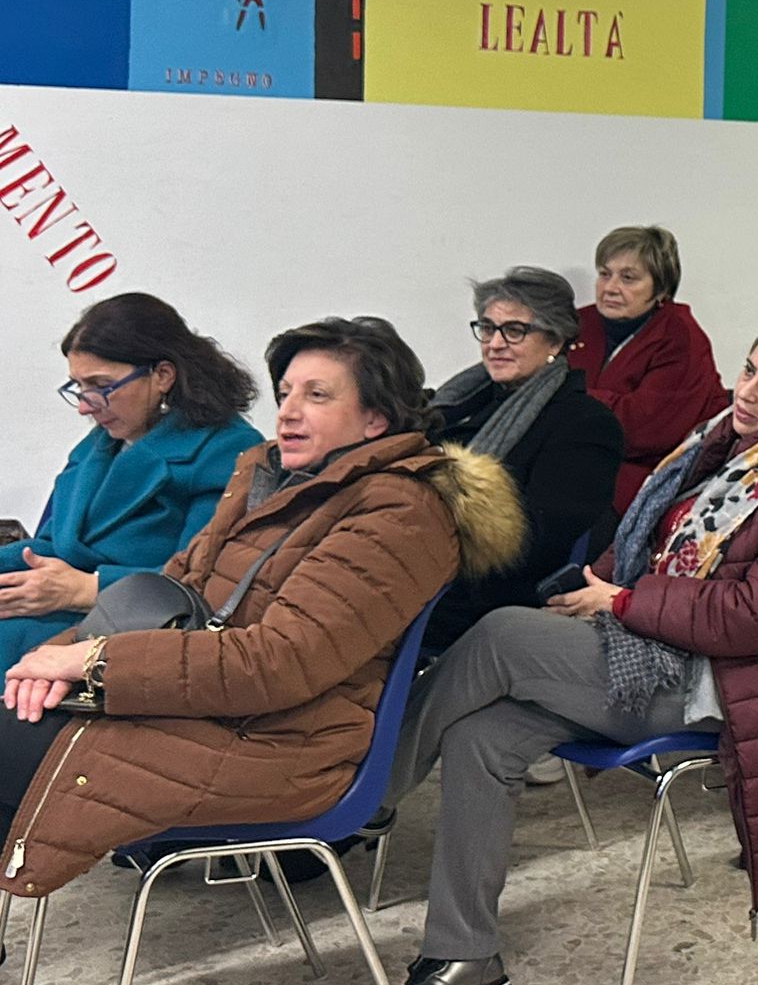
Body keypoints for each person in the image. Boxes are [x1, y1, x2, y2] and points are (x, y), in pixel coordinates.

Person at [381, 314, 758, 985]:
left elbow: (757, 616)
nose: (747, 393)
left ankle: (366, 796)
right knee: (482, 736)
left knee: (499, 634)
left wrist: (620, 601)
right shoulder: (726, 445)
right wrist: (595, 591)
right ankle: (465, 959)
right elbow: (644, 543)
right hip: (652, 650)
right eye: (749, 370)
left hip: (725, 690)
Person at [0, 317, 521, 905]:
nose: (288, 413)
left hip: (283, 741)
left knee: (10, 742)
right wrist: (59, 657)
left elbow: (278, 663)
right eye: (286, 393)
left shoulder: (399, 512)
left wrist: (93, 663)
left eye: (317, 396)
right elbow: (169, 590)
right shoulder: (269, 474)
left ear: (376, 418)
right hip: (212, 709)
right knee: (17, 718)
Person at [0, 294, 262, 671]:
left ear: (162, 376)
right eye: (78, 387)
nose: (84, 405)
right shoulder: (98, 445)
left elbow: (204, 581)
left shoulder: (228, 452)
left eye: (101, 385)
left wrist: (85, 589)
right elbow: (49, 547)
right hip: (57, 616)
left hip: (131, 633)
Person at [426, 267, 624, 650]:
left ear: (556, 339)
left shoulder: (587, 425)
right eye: (487, 328)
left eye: (514, 330)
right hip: (429, 569)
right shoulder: (458, 402)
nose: (495, 343)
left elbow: (534, 545)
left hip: (484, 599)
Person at [563, 225, 727, 541]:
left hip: (648, 477)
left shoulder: (681, 336)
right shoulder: (578, 325)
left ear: (660, 289)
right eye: (604, 274)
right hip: (580, 463)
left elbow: (643, 428)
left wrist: (572, 399)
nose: (610, 287)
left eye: (628, 278)